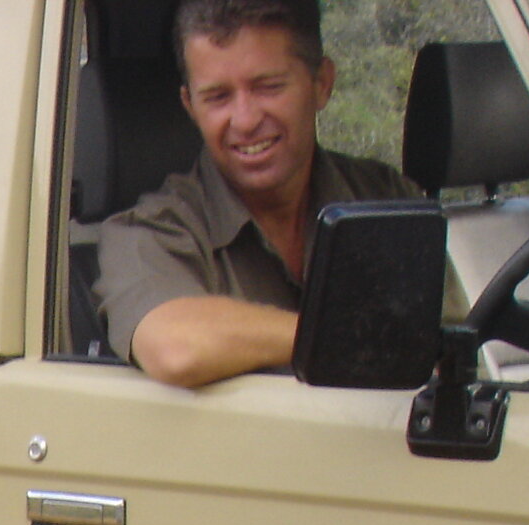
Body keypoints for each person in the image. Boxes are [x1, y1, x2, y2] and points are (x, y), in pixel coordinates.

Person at [96, 0, 428, 386]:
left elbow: (454, 345)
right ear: (190, 105)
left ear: (321, 84)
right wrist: (345, 334)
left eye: (268, 87)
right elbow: (175, 347)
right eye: (218, 97)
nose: (247, 119)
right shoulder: (148, 233)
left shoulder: (383, 198)